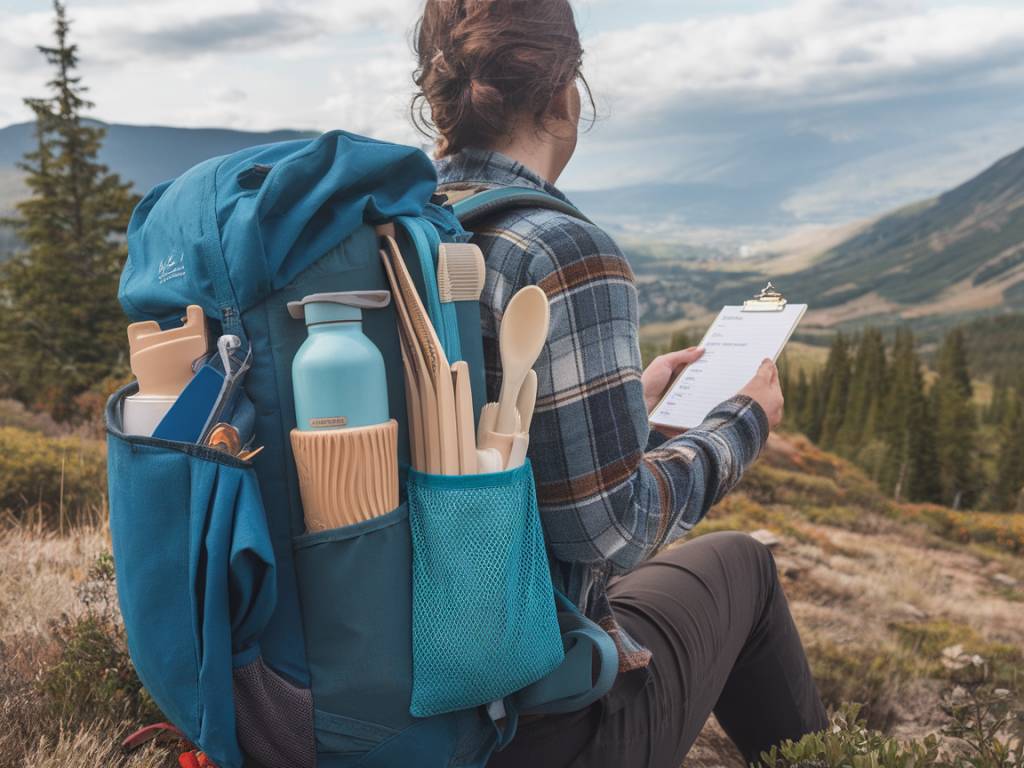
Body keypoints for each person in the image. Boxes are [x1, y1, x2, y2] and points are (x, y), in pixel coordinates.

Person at [412, 2, 828, 765]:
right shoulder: (560, 248)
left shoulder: (405, 230)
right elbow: (615, 532)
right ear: (566, 94)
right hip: (539, 723)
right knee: (743, 566)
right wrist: (743, 424)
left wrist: (627, 403)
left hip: (403, 690)